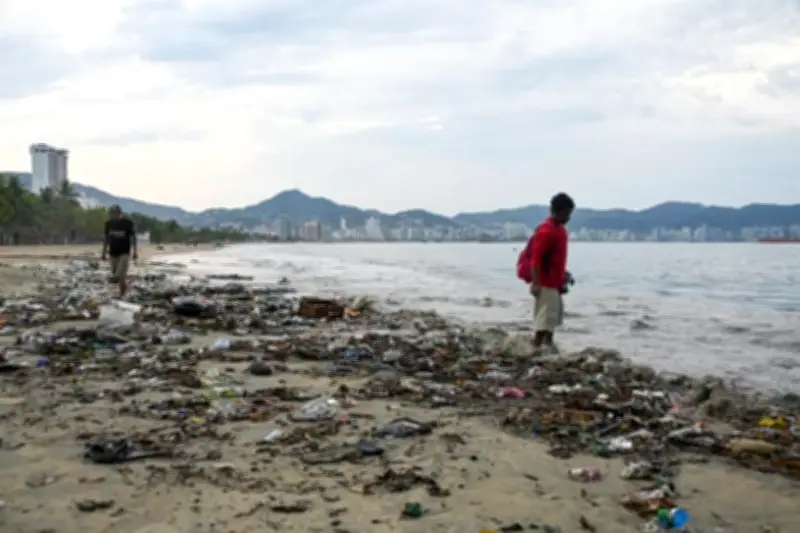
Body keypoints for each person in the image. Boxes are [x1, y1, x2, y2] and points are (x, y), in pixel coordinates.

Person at [529, 192, 574, 350]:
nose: (569, 218)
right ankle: (539, 350)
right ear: (557, 211)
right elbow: (536, 260)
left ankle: (545, 349)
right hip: (545, 283)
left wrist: (564, 276)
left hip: (555, 282)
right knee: (544, 322)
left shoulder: (560, 231)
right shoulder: (546, 231)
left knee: (551, 320)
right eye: (567, 213)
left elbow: (556, 259)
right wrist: (535, 283)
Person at [101, 205, 138, 297]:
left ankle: (122, 292)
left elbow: (133, 238)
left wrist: (135, 251)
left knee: (118, 275)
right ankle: (123, 293)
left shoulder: (128, 223)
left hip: (124, 252)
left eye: (113, 214)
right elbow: (106, 239)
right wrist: (103, 252)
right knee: (119, 276)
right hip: (113, 252)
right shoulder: (108, 223)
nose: (111, 216)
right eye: (110, 214)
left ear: (119, 214)